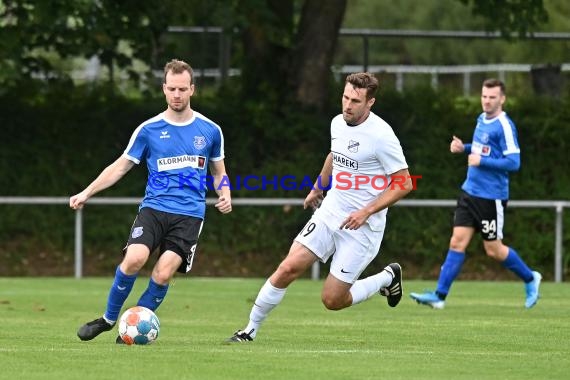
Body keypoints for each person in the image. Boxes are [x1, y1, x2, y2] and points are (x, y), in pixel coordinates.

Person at [226, 72, 414, 343]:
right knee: (288, 267)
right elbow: (334, 155)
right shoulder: (338, 122)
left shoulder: (382, 136)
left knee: (332, 300)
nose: (348, 105)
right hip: (330, 213)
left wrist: (366, 211)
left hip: (363, 227)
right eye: (345, 97)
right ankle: (249, 330)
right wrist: (318, 187)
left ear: (370, 103)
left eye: (356, 101)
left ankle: (387, 277)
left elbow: (404, 183)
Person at [70, 59, 232, 343]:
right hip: (154, 208)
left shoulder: (211, 130)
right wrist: (86, 192)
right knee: (134, 259)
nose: (177, 94)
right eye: (172, 88)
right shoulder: (149, 129)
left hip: (189, 215)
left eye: (183, 89)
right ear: (164, 89)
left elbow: (218, 170)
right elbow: (120, 166)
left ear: (192, 89)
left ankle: (132, 328)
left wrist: (225, 192)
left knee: (164, 271)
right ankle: (108, 319)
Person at [410, 78, 541, 310]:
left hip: (491, 198)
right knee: (456, 242)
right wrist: (465, 148)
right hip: (469, 192)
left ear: (502, 99)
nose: (487, 101)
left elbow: (514, 162)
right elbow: (483, 149)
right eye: (484, 96)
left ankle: (531, 278)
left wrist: (482, 161)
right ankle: (439, 296)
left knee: (494, 250)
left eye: (492, 97)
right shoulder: (481, 119)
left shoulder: (505, 126)